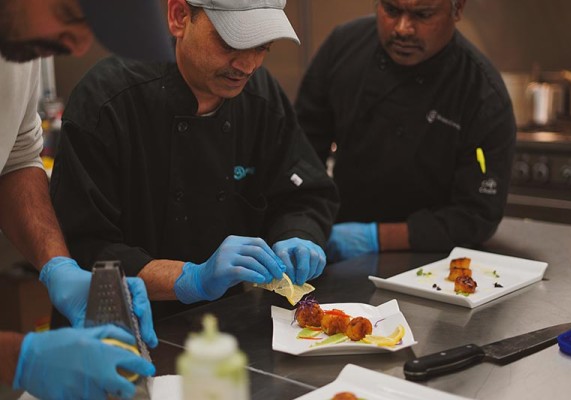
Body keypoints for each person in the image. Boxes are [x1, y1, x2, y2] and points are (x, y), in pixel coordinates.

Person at [49, 0, 339, 320]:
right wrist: (190, 280)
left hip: (220, 324)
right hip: (113, 323)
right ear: (179, 17)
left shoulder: (261, 95)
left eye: (262, 47)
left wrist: (298, 234)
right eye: (230, 43)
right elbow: (86, 246)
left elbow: (304, 196)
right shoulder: (107, 100)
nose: (247, 65)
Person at [0, 0, 174, 398]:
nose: (78, 47)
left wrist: (58, 266)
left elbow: (17, 158)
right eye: (70, 15)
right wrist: (18, 358)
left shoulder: (19, 46)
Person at [295, 0, 516, 261]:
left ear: (457, 9)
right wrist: (301, 227)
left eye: (422, 15)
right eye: (391, 10)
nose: (402, 28)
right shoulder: (344, 46)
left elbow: (476, 216)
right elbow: (301, 154)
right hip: (335, 244)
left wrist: (375, 238)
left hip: (431, 260)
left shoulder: (482, 95)